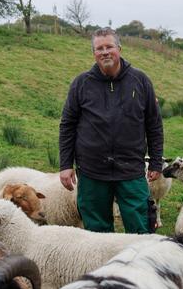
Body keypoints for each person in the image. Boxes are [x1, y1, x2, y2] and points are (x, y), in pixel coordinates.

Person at [59, 28, 164, 234]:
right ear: (94, 53)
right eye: (99, 48)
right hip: (92, 171)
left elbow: (154, 124)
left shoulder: (140, 81)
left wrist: (156, 161)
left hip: (131, 169)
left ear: (119, 49)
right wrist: (65, 164)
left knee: (141, 228)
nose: (105, 52)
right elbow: (67, 125)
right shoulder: (81, 84)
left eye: (109, 46)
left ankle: (139, 256)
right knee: (96, 232)